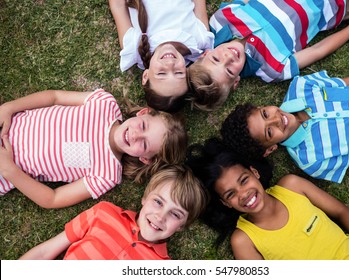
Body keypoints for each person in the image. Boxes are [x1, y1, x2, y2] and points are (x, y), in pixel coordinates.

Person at [186, 137, 349, 259]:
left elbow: (342, 212)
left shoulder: (292, 186)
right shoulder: (244, 240)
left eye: (243, 180)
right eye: (230, 194)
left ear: (254, 172)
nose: (243, 193)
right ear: (225, 203)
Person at [0, 89, 187, 208]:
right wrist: (9, 107)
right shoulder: (104, 103)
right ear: (143, 113)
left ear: (145, 159)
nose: (136, 135)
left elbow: (53, 199)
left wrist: (9, 170)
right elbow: (54, 97)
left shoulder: (107, 175)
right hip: (6, 122)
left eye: (144, 144)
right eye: (144, 126)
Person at [187, 0, 349, 110]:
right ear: (236, 81)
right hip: (338, 5)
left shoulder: (220, 21)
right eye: (230, 70)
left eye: (215, 59)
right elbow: (318, 50)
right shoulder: (271, 69)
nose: (228, 58)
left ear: (206, 52)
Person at [221, 70, 349, 183]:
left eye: (265, 113)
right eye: (269, 131)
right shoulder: (311, 161)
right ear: (270, 149)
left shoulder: (302, 86)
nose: (276, 120)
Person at [19, 165, 207, 260]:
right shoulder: (104, 213)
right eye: (158, 202)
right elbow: (45, 252)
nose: (160, 216)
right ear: (144, 198)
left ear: (183, 225)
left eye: (175, 214)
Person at [109, 0, 214, 112]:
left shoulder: (134, 47)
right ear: (187, 71)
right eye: (179, 73)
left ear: (146, 76)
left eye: (161, 73)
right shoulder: (200, 41)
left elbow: (118, 6)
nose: (170, 64)